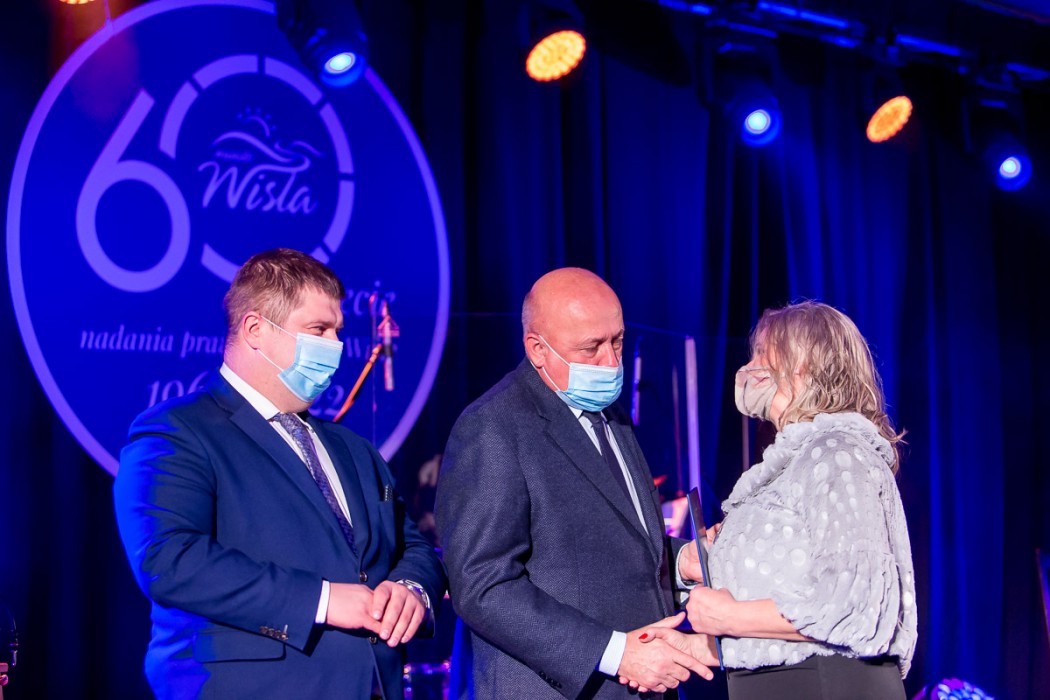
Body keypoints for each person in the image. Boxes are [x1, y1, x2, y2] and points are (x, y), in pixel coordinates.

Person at [113, 248, 447, 699]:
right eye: (319, 330)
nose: (335, 346)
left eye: (338, 331)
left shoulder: (353, 449)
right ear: (255, 330)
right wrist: (323, 600)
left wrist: (411, 589)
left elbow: (412, 545)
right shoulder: (177, 430)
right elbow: (169, 561)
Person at [435, 267, 714, 699]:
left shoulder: (611, 413)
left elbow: (607, 539)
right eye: (591, 348)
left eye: (617, 341)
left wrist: (680, 562)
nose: (611, 362)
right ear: (537, 349)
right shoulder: (492, 427)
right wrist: (615, 653)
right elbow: (483, 585)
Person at [640, 300, 917, 699]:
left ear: (802, 363)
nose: (749, 368)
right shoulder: (797, 462)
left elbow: (854, 603)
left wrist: (729, 616)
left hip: (827, 685)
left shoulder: (837, 452)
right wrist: (697, 647)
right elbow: (785, 616)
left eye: (761, 355)